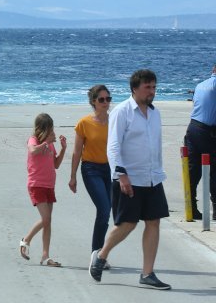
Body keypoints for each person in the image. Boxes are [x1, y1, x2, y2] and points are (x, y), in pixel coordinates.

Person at [89, 69, 171, 290]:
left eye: (154, 87)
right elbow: (113, 147)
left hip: (152, 177)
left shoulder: (155, 113)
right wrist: (121, 174)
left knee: (154, 222)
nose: (152, 92)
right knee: (127, 224)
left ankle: (147, 273)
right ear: (135, 88)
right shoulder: (122, 112)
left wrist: (158, 171)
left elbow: (155, 146)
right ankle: (101, 256)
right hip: (129, 178)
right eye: (148, 87)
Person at [69, 85, 112, 256]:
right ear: (93, 102)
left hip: (110, 170)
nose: (105, 102)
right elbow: (77, 152)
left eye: (108, 99)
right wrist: (73, 177)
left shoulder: (115, 120)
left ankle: (100, 252)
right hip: (91, 169)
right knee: (104, 208)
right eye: (101, 99)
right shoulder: (84, 123)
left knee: (107, 210)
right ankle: (97, 253)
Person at [19, 113, 66, 267]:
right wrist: (45, 142)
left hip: (49, 185)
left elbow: (56, 164)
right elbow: (33, 151)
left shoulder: (50, 144)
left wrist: (63, 148)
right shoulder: (34, 140)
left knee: (48, 222)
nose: (52, 131)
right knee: (45, 219)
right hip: (36, 184)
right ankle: (26, 240)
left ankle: (45, 256)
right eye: (50, 128)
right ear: (42, 129)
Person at [184, 64, 216, 220]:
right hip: (208, 132)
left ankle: (191, 208)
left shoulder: (200, 85)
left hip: (193, 129)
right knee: (215, 171)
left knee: (193, 170)